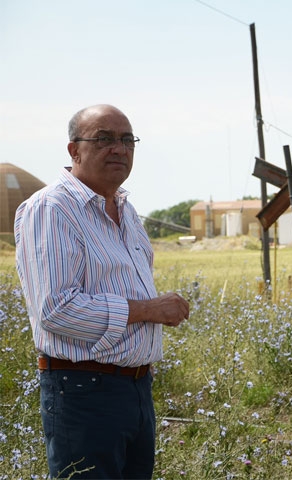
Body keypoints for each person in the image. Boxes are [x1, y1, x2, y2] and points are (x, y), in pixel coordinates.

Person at [14, 104, 190, 479]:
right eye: (104, 139)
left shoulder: (126, 211)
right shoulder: (52, 209)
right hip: (83, 393)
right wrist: (149, 310)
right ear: (74, 150)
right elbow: (56, 308)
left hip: (136, 389)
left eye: (128, 140)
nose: (119, 149)